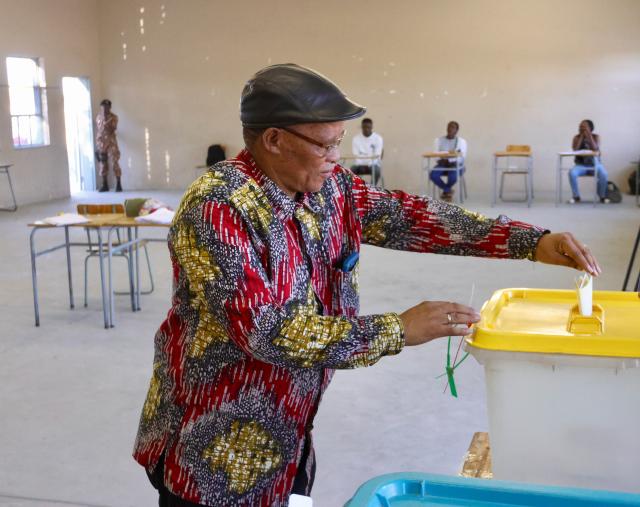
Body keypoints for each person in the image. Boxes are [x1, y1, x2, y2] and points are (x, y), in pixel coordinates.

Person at [133, 63, 601, 507]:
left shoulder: (330, 187)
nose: (337, 157)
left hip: (289, 438)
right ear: (273, 139)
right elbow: (267, 331)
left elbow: (411, 217)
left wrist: (529, 241)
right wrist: (398, 329)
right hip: (213, 455)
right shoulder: (218, 209)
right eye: (325, 145)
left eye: (339, 143)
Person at [568, 119, 609, 204]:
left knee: (604, 174)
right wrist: (582, 137)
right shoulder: (576, 137)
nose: (581, 127)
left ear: (590, 127)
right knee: (572, 173)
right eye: (580, 126)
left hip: (595, 164)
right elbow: (575, 150)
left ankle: (602, 196)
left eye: (584, 126)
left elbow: (595, 148)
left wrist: (589, 136)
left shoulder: (596, 137)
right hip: (581, 165)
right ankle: (576, 196)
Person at [429, 121, 467, 202]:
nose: (450, 129)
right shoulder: (438, 140)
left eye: (453, 127)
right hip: (442, 164)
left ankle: (446, 192)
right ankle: (448, 190)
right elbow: (435, 154)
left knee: (453, 176)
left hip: (456, 165)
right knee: (433, 175)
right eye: (449, 127)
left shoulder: (461, 141)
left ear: (457, 130)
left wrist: (450, 160)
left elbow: (462, 157)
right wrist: (441, 160)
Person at [95, 99, 122, 192]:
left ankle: (118, 184)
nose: (104, 109)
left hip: (111, 142)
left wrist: (107, 121)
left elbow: (112, 129)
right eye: (102, 107)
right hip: (101, 143)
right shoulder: (98, 117)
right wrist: (98, 144)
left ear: (110, 107)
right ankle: (104, 184)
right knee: (102, 163)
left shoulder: (114, 117)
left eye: (106, 107)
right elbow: (99, 130)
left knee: (115, 162)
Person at [350, 118, 383, 185]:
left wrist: (368, 164)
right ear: (362, 127)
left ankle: (372, 189)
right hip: (359, 165)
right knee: (350, 171)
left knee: (376, 171)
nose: (366, 129)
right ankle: (356, 189)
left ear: (372, 127)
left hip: (373, 165)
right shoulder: (356, 139)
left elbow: (377, 155)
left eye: (368, 127)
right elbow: (356, 155)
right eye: (364, 127)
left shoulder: (378, 138)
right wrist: (362, 164)